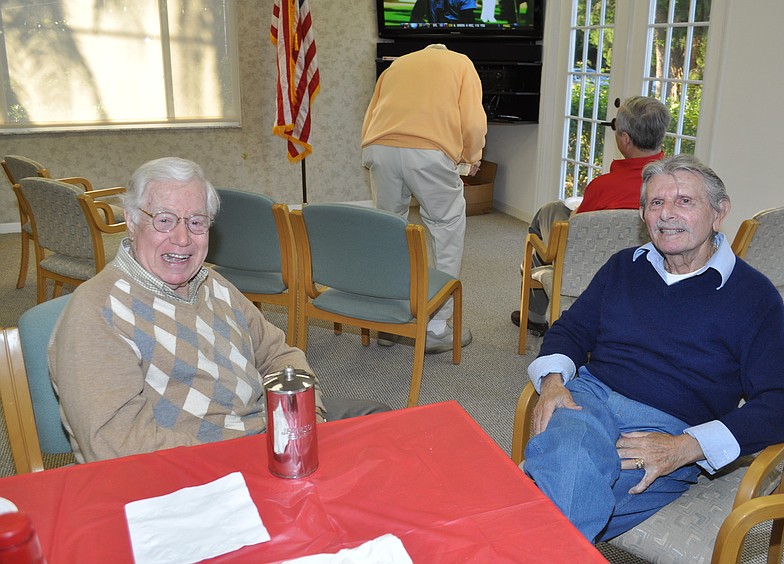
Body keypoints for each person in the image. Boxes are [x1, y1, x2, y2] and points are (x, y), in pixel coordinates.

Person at [523, 154, 784, 543]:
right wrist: (553, 382)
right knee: (570, 465)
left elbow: (782, 404)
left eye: (684, 201)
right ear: (643, 214)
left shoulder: (754, 296)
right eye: (656, 203)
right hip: (590, 401)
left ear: (719, 212)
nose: (667, 214)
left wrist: (685, 448)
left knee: (559, 493)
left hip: (667, 431)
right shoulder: (624, 266)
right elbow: (571, 329)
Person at [48, 157, 389, 463]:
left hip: (267, 426)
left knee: (381, 424)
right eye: (165, 220)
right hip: (199, 465)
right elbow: (118, 445)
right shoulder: (97, 314)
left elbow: (277, 353)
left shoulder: (211, 282)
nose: (182, 239)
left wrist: (305, 415)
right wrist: (246, 454)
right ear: (132, 221)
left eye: (197, 222)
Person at [362, 43, 487, 353]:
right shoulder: (461, 63)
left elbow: (372, 112)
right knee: (446, 229)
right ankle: (436, 327)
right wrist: (471, 156)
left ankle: (387, 322)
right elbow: (472, 121)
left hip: (380, 147)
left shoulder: (397, 65)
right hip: (429, 152)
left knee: (387, 231)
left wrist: (370, 153)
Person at [512, 96, 670, 336]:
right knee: (552, 210)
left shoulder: (603, 187)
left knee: (543, 227)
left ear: (625, 139)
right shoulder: (675, 183)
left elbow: (576, 236)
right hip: (650, 273)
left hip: (595, 274)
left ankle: (534, 315)